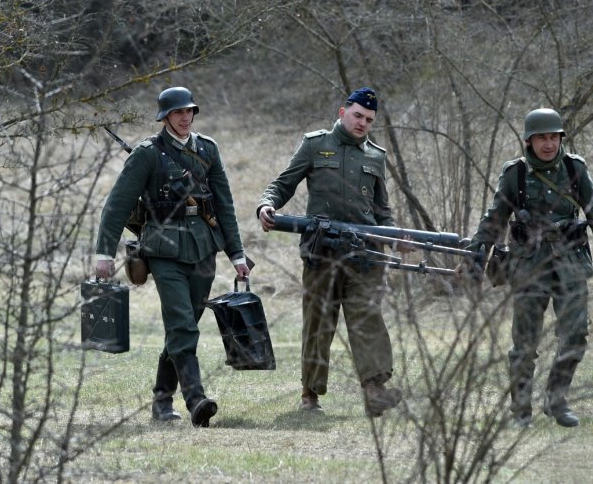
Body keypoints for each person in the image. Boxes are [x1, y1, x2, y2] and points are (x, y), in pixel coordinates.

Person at [94, 86, 250, 427]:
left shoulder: (208, 149)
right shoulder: (148, 154)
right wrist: (104, 252)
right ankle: (196, 398)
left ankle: (162, 398)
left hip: (203, 248)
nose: (185, 117)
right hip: (163, 249)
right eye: (178, 112)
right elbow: (118, 204)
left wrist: (236, 253)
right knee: (181, 324)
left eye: (189, 110)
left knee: (185, 326)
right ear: (165, 116)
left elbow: (224, 204)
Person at [467, 108, 593, 428]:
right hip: (529, 265)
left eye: (554, 137)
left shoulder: (574, 169)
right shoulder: (515, 174)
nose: (549, 144)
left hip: (570, 264)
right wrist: (476, 255)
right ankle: (521, 410)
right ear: (529, 141)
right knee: (524, 344)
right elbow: (495, 218)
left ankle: (557, 399)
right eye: (542, 137)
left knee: (575, 334)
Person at [257, 87, 404, 417]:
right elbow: (282, 184)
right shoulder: (315, 144)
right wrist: (266, 204)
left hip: (365, 255)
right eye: (357, 116)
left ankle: (374, 390)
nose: (362, 123)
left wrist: (395, 236)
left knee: (367, 317)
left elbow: (382, 210)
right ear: (343, 112)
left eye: (369, 120)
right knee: (319, 322)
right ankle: (310, 394)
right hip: (321, 253)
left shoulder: (376, 156)